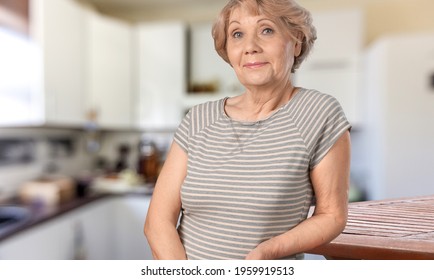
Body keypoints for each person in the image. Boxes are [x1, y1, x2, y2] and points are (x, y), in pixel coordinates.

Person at [144, 0, 351, 260]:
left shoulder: (319, 113)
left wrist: (268, 251)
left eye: (266, 30)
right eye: (237, 34)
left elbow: (332, 215)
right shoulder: (198, 119)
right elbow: (157, 222)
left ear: (296, 42)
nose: (250, 47)